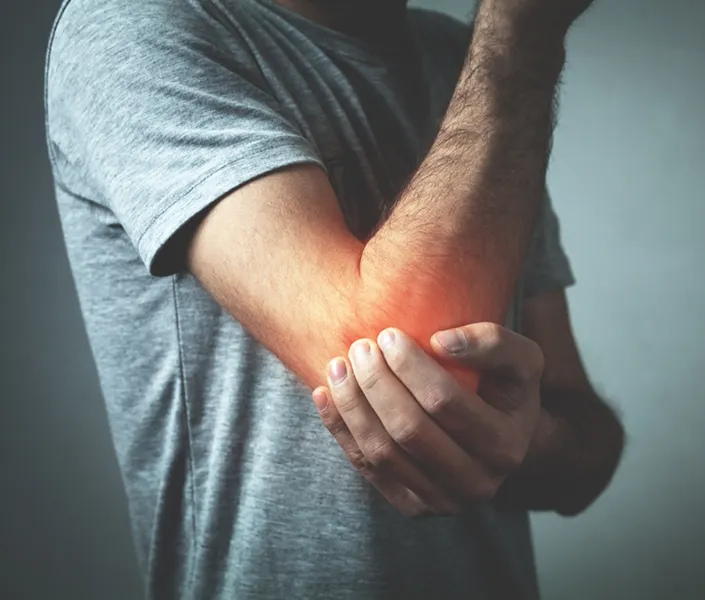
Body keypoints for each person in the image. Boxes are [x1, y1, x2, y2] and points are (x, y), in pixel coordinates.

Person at [45, 0, 625, 597]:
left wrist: (519, 442)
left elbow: (585, 450)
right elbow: (391, 363)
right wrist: (519, 35)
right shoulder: (136, 22)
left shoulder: (465, 58)